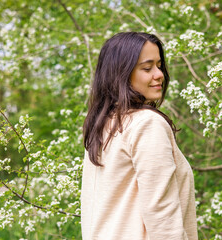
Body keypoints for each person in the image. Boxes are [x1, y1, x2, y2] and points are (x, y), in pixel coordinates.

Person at [81, 32, 198, 240]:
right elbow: (162, 215)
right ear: (122, 74)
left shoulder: (103, 125)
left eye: (159, 65)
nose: (159, 74)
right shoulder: (147, 124)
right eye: (147, 68)